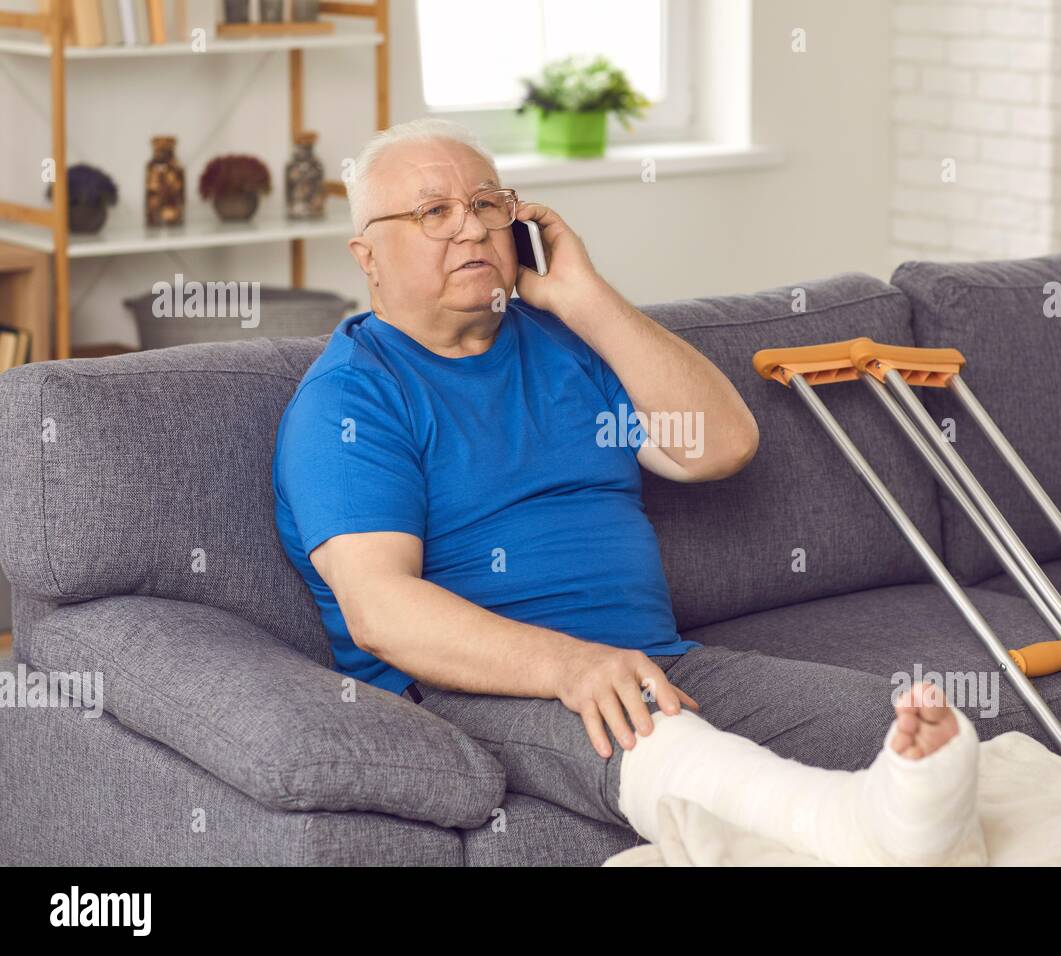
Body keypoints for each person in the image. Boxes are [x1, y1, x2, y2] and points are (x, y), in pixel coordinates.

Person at [272, 117, 984, 865]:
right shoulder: (352, 399)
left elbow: (720, 446)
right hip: (476, 694)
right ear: (368, 258)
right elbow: (381, 612)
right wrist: (570, 666)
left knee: (892, 729)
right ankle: (859, 829)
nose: (472, 230)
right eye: (433, 213)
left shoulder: (566, 345)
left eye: (488, 205)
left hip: (655, 663)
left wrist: (583, 296)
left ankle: (908, 824)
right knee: (663, 743)